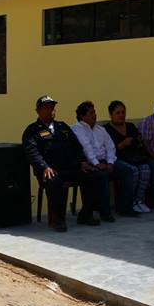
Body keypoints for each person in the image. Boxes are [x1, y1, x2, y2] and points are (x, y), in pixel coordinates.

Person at [22, 95, 102, 232]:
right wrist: (44, 167)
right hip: (50, 171)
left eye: (53, 107)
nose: (51, 110)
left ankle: (86, 214)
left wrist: (82, 161)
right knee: (54, 181)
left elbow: (76, 146)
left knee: (95, 176)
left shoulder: (62, 126)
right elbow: (32, 152)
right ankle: (56, 220)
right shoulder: (32, 130)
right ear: (38, 111)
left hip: (70, 168)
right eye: (47, 107)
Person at [71, 100, 137, 221]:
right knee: (102, 176)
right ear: (83, 116)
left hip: (106, 161)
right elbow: (86, 148)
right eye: (91, 113)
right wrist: (97, 164)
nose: (95, 115)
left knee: (127, 171)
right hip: (90, 163)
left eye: (94, 112)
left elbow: (110, 147)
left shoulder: (100, 129)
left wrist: (110, 162)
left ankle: (125, 207)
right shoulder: (77, 129)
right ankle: (105, 212)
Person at [104, 100, 154, 213]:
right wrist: (123, 144)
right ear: (111, 114)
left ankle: (139, 200)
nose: (121, 115)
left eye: (123, 112)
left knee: (145, 169)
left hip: (133, 157)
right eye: (118, 113)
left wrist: (138, 141)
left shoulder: (130, 126)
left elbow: (138, 141)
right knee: (133, 171)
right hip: (118, 159)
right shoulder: (106, 130)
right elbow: (108, 150)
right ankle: (129, 202)